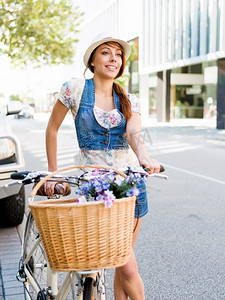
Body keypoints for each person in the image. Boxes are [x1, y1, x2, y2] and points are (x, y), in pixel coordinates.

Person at [45, 33, 160, 300]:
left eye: (118, 55)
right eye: (106, 52)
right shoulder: (73, 89)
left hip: (128, 187)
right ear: (93, 60)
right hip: (95, 191)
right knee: (128, 266)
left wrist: (143, 156)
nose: (114, 59)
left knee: (123, 263)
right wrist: (51, 174)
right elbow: (52, 129)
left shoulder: (129, 99)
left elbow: (134, 133)